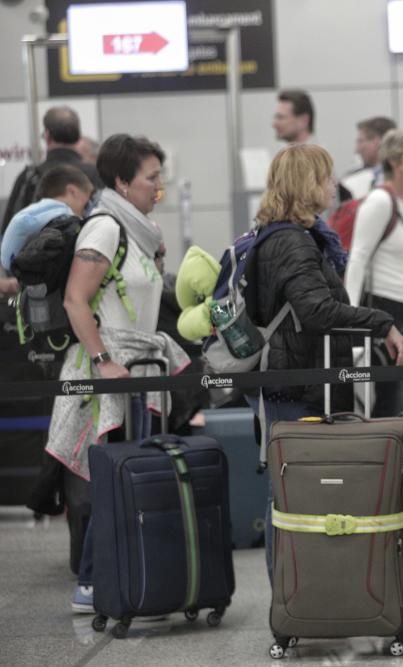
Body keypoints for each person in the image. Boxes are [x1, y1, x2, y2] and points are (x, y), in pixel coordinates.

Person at [246, 143, 403, 578]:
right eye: (325, 177)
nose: (333, 185)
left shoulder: (288, 236)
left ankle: (302, 593)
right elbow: (315, 311)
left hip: (296, 382)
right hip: (296, 388)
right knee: (288, 496)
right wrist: (381, 322)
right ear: (306, 185)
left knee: (292, 493)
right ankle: (290, 595)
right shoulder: (292, 243)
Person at [40, 134, 183, 615]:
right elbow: (75, 300)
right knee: (111, 479)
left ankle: (121, 578)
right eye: (150, 179)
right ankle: (92, 581)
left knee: (128, 479)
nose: (157, 188)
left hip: (136, 370)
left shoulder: (141, 230)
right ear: (122, 181)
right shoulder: (104, 228)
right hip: (108, 373)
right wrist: (103, 361)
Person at [344, 130, 403, 416]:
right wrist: (351, 318)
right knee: (385, 401)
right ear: (394, 160)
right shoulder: (380, 201)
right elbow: (358, 257)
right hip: (382, 309)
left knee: (400, 399)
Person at [3, 106, 103, 230]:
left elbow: (9, 230)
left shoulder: (29, 177)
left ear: (47, 136)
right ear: (78, 136)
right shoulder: (97, 174)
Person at [1, 164, 94, 274]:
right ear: (72, 191)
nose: (87, 208)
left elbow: (6, 263)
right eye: (87, 200)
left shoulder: (25, 215)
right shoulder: (67, 218)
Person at [341, 116, 398, 199]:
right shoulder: (351, 177)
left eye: (360, 141)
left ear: (377, 141)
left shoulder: (394, 180)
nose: (357, 150)